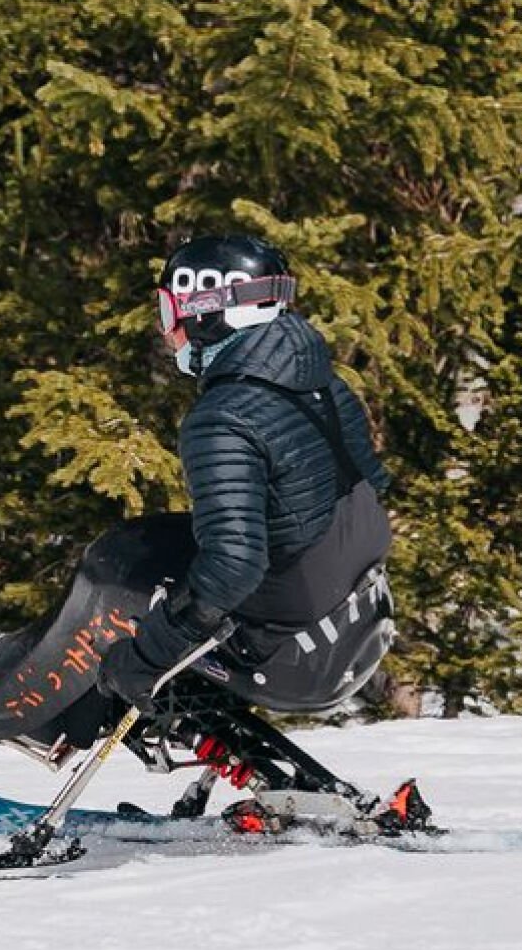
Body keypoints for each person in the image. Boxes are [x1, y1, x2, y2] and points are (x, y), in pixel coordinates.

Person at [96, 233, 395, 716]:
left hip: (287, 649)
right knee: (162, 543)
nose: (166, 332)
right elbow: (371, 484)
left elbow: (234, 568)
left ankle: (56, 733)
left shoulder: (223, 417)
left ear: (210, 312)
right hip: (353, 613)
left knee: (115, 582)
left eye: (171, 313)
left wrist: (144, 657)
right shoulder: (317, 378)